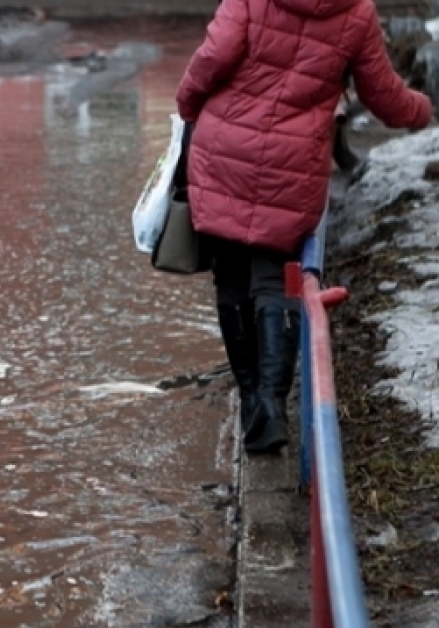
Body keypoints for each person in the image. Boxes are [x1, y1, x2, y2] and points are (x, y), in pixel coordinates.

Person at [176, 0, 432, 455]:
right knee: (276, 278)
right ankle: (272, 404)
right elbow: (384, 96)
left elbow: (213, 57)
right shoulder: (356, 12)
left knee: (231, 278)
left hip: (225, 151)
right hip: (292, 167)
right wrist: (422, 110)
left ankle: (254, 401)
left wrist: (189, 102)